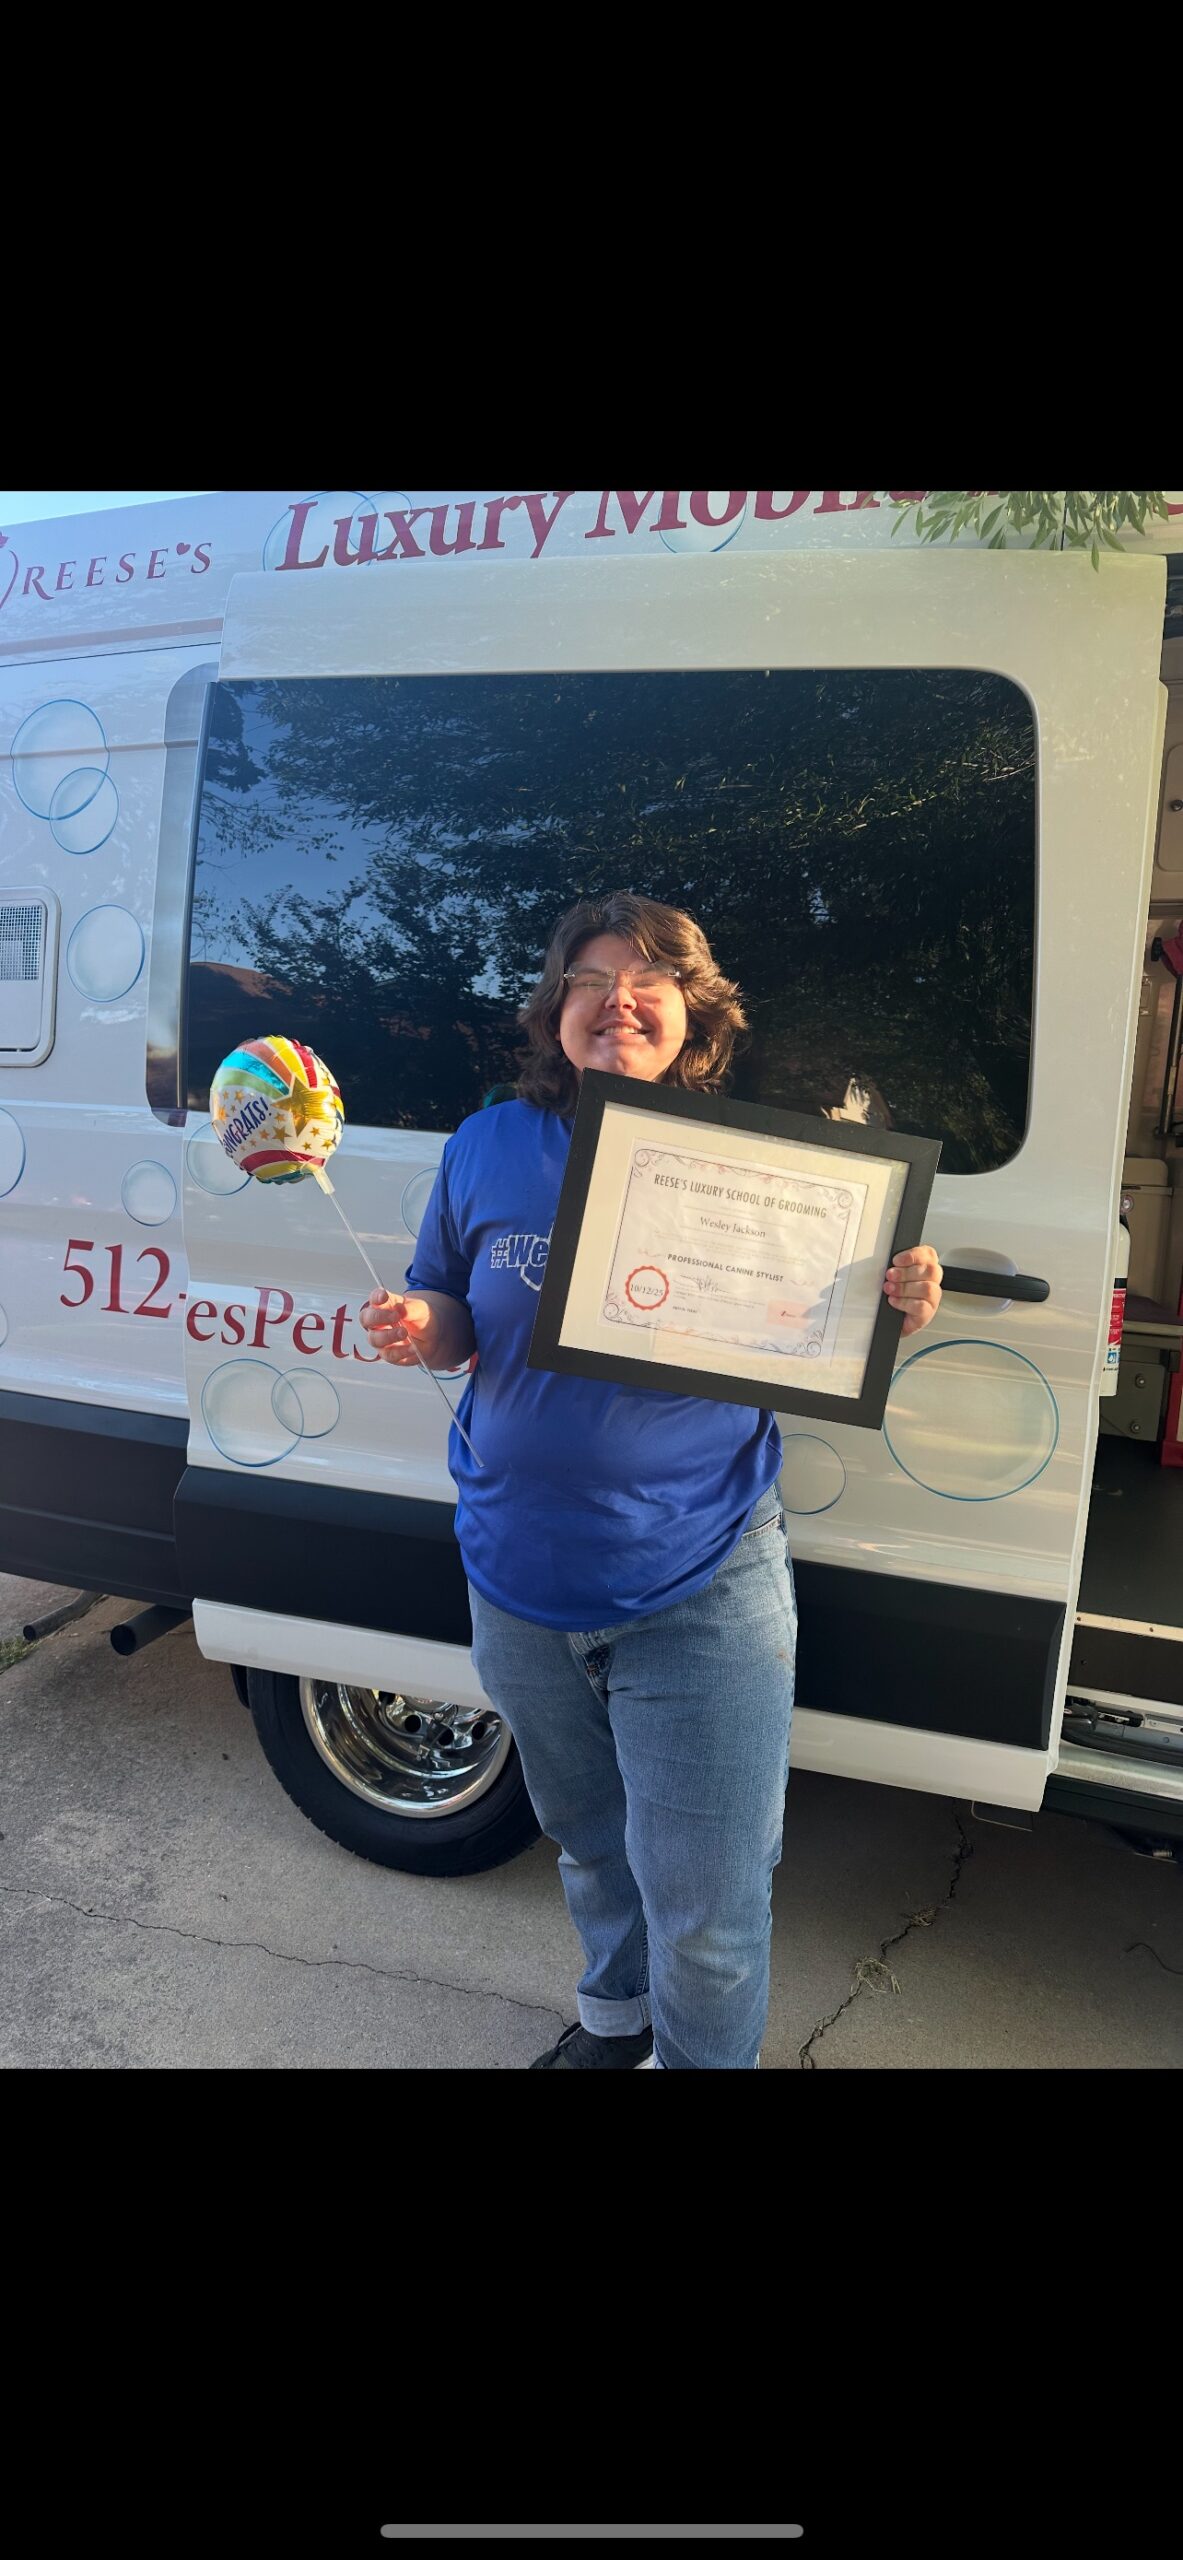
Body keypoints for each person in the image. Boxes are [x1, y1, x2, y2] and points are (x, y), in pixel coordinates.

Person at [359, 893, 943, 2069]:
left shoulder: (758, 1164)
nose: (615, 1000)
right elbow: (455, 1313)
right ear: (553, 1008)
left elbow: (824, 1316)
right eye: (588, 978)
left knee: (709, 1907)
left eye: (646, 981)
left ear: (693, 1013)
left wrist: (891, 1296)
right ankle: (616, 2025)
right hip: (517, 1574)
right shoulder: (485, 1145)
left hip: (701, 1578)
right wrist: (420, 1322)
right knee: (587, 1841)